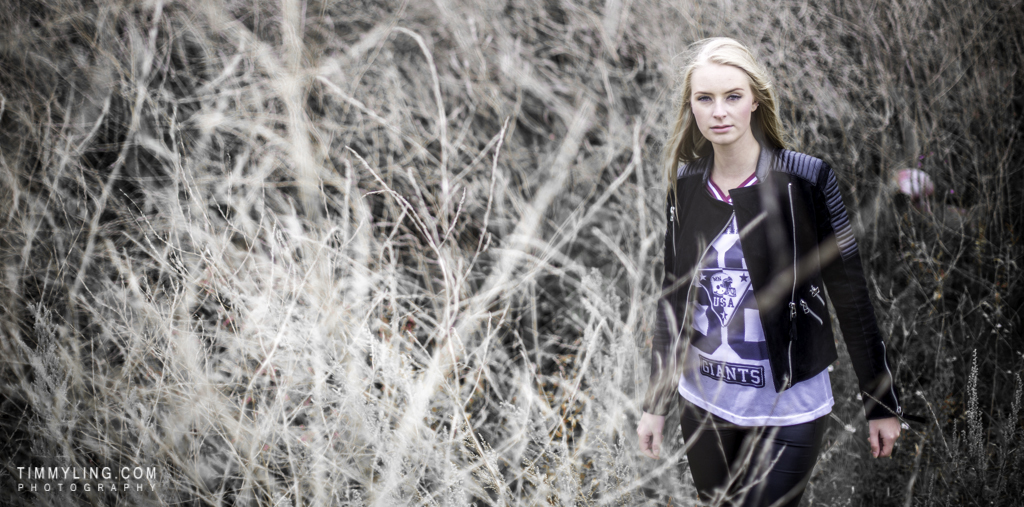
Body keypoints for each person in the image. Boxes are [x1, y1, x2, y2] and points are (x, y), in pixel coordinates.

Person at [635, 37, 903, 507]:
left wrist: (879, 401)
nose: (719, 111)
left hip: (787, 410)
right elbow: (673, 297)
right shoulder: (686, 183)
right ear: (691, 106)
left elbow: (851, 293)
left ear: (755, 100)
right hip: (705, 406)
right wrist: (655, 405)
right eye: (705, 98)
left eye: (733, 96)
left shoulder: (806, 179)